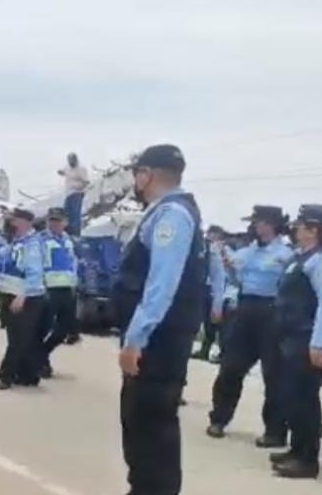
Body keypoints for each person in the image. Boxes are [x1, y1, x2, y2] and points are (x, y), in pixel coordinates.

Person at [113, 144, 204, 495]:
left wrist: (136, 337)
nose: (135, 181)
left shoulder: (172, 216)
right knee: (143, 423)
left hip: (158, 340)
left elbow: (161, 283)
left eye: (137, 174)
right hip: (162, 337)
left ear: (146, 175)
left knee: (149, 424)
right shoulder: (171, 212)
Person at [206, 205, 293, 447]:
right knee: (230, 368)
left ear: (273, 225)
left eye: (262, 222)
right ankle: (219, 419)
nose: (257, 226)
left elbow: (288, 286)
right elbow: (236, 279)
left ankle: (275, 431)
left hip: (272, 310)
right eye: (255, 222)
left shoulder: (286, 254)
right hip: (244, 308)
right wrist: (228, 266)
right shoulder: (246, 251)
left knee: (274, 374)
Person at [268, 204, 322, 479]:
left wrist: (319, 343)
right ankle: (296, 449)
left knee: (304, 399)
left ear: (314, 230)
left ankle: (307, 460)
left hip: (307, 338)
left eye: (301, 225)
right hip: (291, 337)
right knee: (290, 395)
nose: (295, 229)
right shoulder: (301, 257)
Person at [0, 208, 48, 390]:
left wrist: (22, 295)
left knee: (19, 339)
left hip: (25, 296)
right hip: (10, 294)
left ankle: (5, 376)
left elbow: (34, 273)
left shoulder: (32, 245)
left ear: (24, 222)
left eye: (14, 220)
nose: (11, 223)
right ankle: (28, 375)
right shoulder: (17, 242)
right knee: (20, 337)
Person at [38, 207, 79, 379]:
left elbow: (73, 263)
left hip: (67, 288)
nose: (55, 224)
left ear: (65, 223)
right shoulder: (41, 240)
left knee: (64, 329)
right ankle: (40, 362)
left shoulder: (68, 241)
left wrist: (75, 284)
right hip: (49, 289)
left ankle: (42, 354)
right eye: (52, 220)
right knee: (42, 328)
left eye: (59, 221)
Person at [195, 225, 230, 361]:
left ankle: (221, 352)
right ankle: (205, 349)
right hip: (204, 287)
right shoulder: (203, 247)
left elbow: (221, 274)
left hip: (220, 290)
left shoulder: (223, 249)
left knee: (217, 324)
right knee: (206, 321)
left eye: (214, 234)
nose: (210, 236)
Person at [58, 152, 89, 236]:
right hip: (68, 193)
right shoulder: (67, 167)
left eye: (73, 161)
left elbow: (86, 182)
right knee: (67, 213)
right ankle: (68, 232)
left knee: (76, 214)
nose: (72, 163)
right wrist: (61, 172)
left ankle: (76, 234)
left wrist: (78, 186)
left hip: (77, 193)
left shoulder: (81, 169)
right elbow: (65, 172)